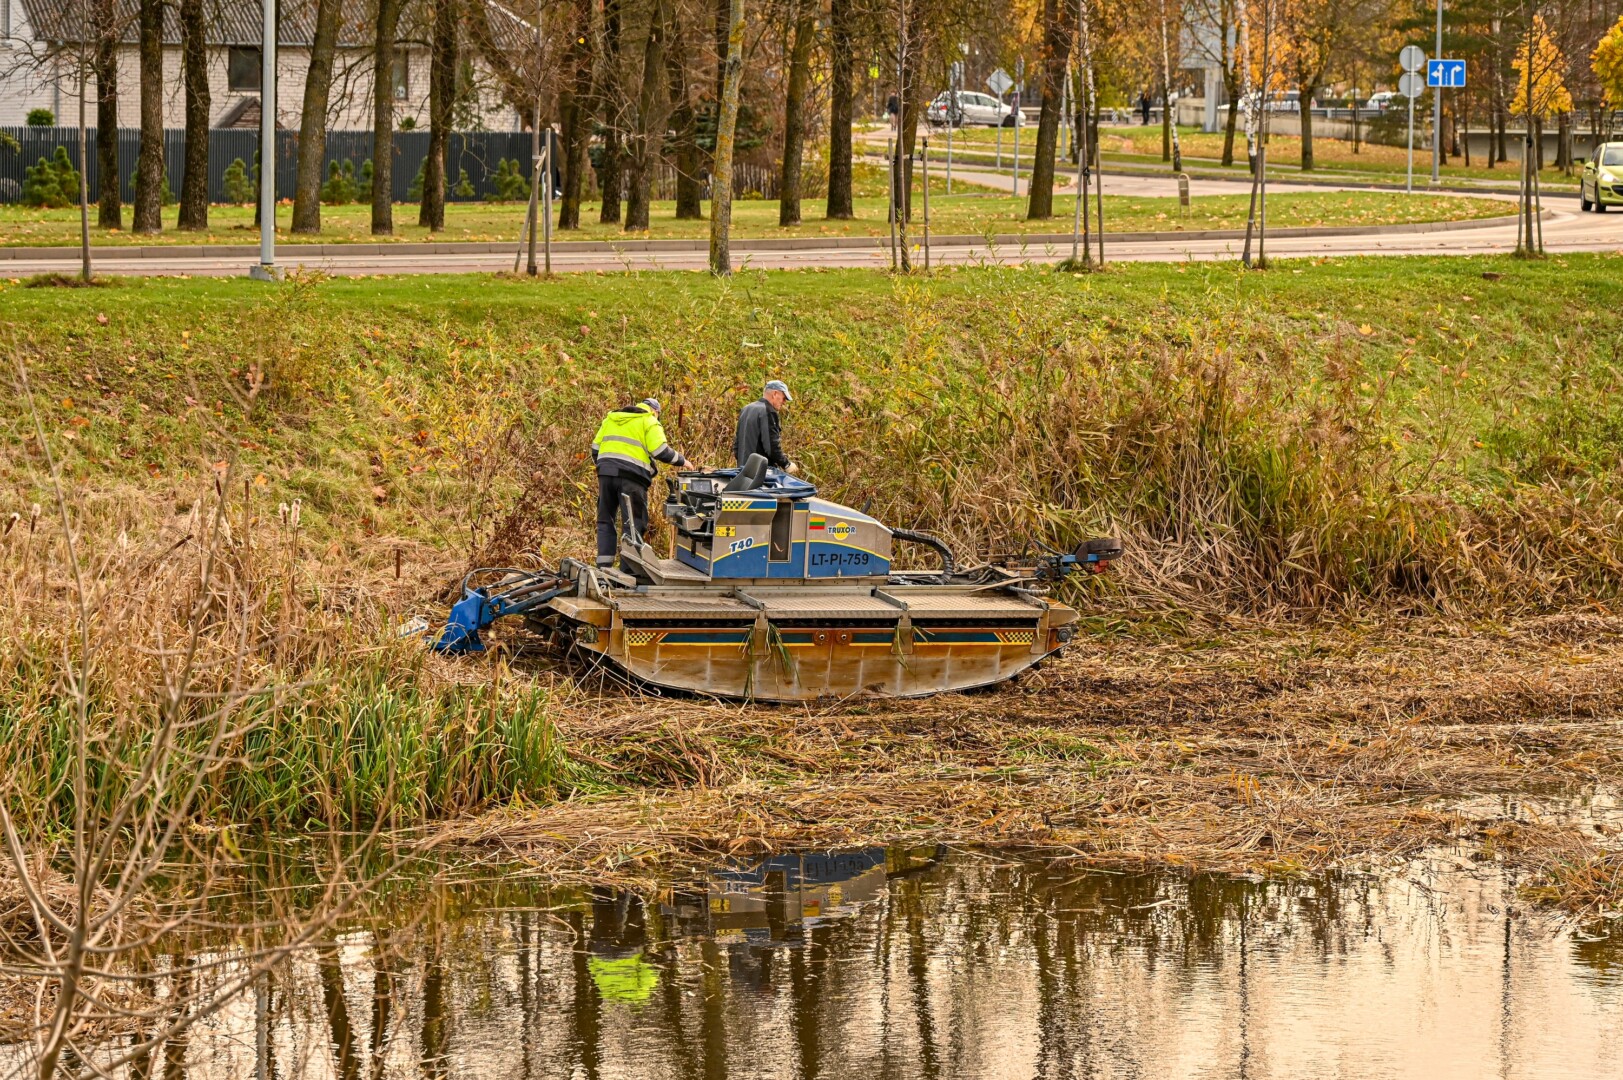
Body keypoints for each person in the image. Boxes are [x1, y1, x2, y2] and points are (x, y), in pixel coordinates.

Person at [591, 398, 691, 567]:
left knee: (605, 519)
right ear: (655, 411)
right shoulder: (649, 420)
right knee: (633, 523)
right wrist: (682, 461)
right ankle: (627, 570)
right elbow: (660, 451)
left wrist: (604, 468)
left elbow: (595, 449)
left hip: (606, 474)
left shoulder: (611, 419)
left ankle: (603, 567)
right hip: (632, 478)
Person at [734, 380, 797, 475]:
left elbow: (736, 445)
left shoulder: (746, 409)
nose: (784, 402)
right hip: (760, 473)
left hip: (742, 472)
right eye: (784, 398)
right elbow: (771, 447)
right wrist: (786, 464)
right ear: (775, 394)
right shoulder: (768, 411)